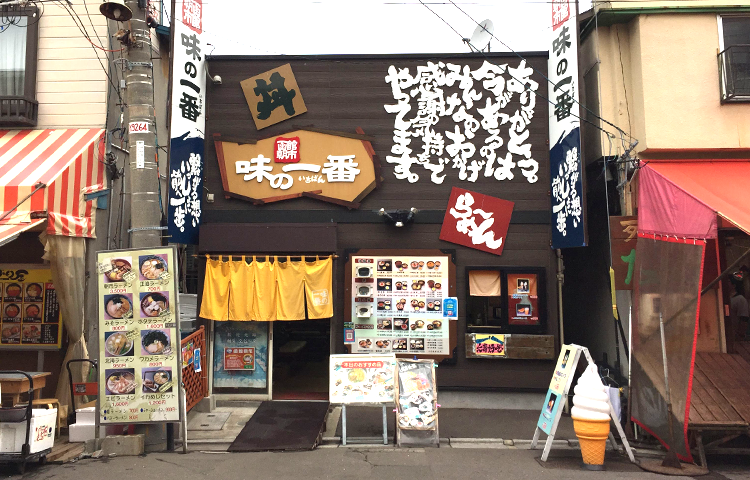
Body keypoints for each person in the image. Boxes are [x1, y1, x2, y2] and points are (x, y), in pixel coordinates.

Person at [729, 272, 749, 350]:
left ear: (733, 285)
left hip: (736, 336)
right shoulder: (725, 298)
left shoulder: (740, 299)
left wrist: (740, 335)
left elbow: (744, 318)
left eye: (728, 282)